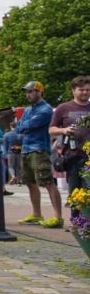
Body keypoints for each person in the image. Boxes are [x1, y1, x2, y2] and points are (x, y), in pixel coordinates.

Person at [14, 81, 62, 228]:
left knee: (47, 182)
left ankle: (58, 217)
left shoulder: (46, 109)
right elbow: (18, 127)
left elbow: (28, 125)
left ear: (40, 92)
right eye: (27, 92)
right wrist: (23, 125)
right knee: (29, 182)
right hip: (27, 149)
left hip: (39, 149)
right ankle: (36, 214)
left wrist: (24, 125)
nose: (28, 95)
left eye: (31, 92)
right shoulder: (29, 110)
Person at [49, 76, 90, 221]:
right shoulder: (64, 108)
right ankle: (77, 221)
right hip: (72, 155)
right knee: (74, 190)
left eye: (87, 90)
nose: (85, 93)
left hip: (89, 157)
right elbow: (51, 129)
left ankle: (87, 221)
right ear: (73, 90)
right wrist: (64, 130)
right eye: (81, 90)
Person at [3, 119, 20, 184]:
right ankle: (19, 181)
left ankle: (13, 176)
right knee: (18, 167)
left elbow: (5, 145)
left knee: (10, 166)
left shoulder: (7, 135)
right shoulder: (20, 134)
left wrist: (5, 153)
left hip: (10, 152)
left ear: (10, 126)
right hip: (19, 151)